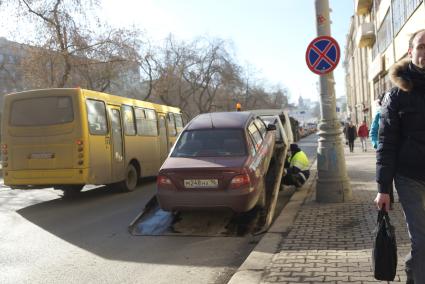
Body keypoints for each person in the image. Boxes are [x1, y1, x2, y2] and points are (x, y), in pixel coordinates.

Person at [374, 29, 425, 284]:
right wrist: (384, 188)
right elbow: (386, 143)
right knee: (423, 240)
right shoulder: (396, 95)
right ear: (411, 52)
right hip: (409, 177)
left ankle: (414, 271)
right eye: (422, 46)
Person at [370, 93, 395, 207]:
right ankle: (388, 201)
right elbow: (373, 132)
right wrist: (377, 144)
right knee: (385, 175)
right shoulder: (379, 114)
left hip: (396, 148)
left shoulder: (396, 110)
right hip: (384, 148)